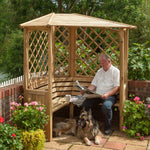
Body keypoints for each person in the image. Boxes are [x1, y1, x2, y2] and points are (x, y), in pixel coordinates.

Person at [82, 54, 120, 135]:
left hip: (110, 96)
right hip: (97, 95)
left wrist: (107, 95)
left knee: (106, 107)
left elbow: (117, 87)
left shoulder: (115, 71)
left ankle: (107, 127)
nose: (102, 65)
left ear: (109, 61)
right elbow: (93, 85)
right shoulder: (99, 71)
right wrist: (86, 91)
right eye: (100, 63)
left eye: (103, 63)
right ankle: (93, 124)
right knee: (86, 103)